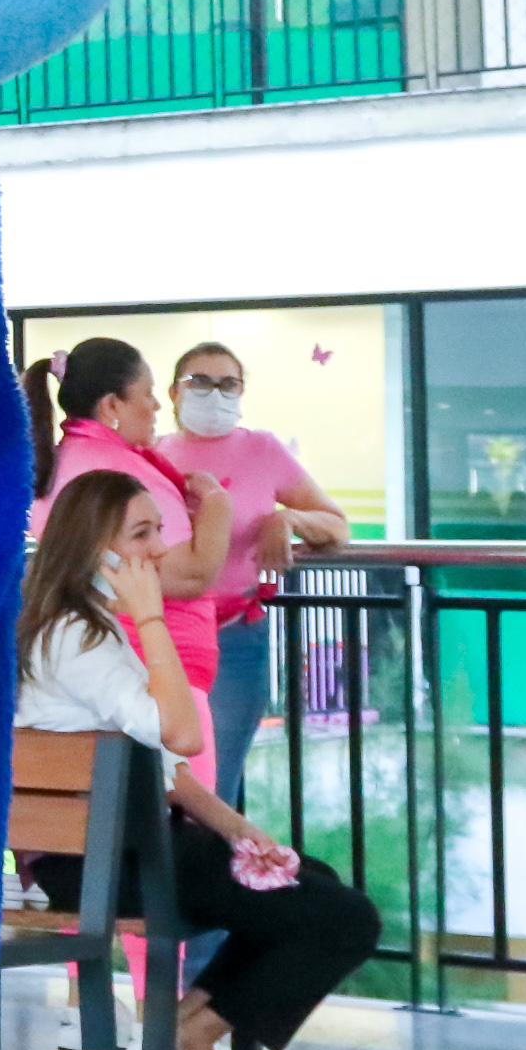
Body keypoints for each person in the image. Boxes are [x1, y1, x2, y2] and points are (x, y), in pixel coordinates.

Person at [16, 468, 384, 1050]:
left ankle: (181, 1031)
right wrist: (152, 618)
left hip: (113, 850)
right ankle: (187, 1035)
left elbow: (163, 766)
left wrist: (238, 829)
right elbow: (183, 736)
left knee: (307, 880)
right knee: (345, 917)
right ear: (94, 548)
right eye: (143, 534)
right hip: (105, 865)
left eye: (159, 530)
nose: (161, 549)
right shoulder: (80, 638)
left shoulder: (72, 625)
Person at [149, 339, 355, 812]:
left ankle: (218, 858)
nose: (214, 393)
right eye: (200, 382)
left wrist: (289, 519)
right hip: (162, 632)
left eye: (228, 384)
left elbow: (337, 525)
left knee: (217, 780)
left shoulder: (262, 449)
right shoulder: (154, 453)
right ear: (175, 393)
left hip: (235, 635)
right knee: (165, 779)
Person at [26, 335, 235, 758]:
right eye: (148, 393)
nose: (157, 406)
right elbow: (191, 574)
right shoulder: (115, 475)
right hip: (165, 664)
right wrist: (217, 504)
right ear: (112, 406)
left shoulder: (61, 461)